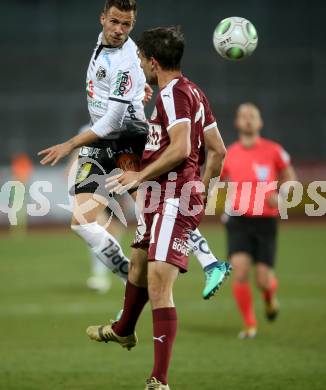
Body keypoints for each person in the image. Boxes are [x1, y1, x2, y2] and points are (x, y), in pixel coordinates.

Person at [38, 0, 230, 300]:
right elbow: (126, 84)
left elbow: (113, 120)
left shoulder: (127, 59)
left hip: (126, 137)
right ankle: (130, 276)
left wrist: (71, 143)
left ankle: (210, 262)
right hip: (103, 139)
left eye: (126, 25)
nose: (118, 30)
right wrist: (139, 90)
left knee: (154, 208)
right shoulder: (107, 47)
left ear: (132, 25)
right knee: (81, 222)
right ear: (102, 18)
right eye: (114, 22)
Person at [86, 26, 230, 390]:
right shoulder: (192, 91)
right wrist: (204, 190)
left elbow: (182, 148)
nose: (139, 64)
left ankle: (159, 380)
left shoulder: (172, 95)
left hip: (171, 198)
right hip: (160, 199)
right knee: (136, 266)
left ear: (152, 61)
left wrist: (145, 178)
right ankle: (123, 330)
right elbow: (218, 149)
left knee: (158, 286)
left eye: (140, 59)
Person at [221, 102, 296, 339]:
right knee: (240, 271)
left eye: (252, 115)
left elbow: (290, 178)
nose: (248, 119)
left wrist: (282, 195)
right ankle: (250, 324)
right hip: (239, 221)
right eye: (243, 116)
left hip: (265, 221)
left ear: (260, 122)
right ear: (237, 122)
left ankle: (269, 297)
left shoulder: (274, 150)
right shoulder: (229, 153)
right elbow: (218, 181)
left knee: (263, 279)